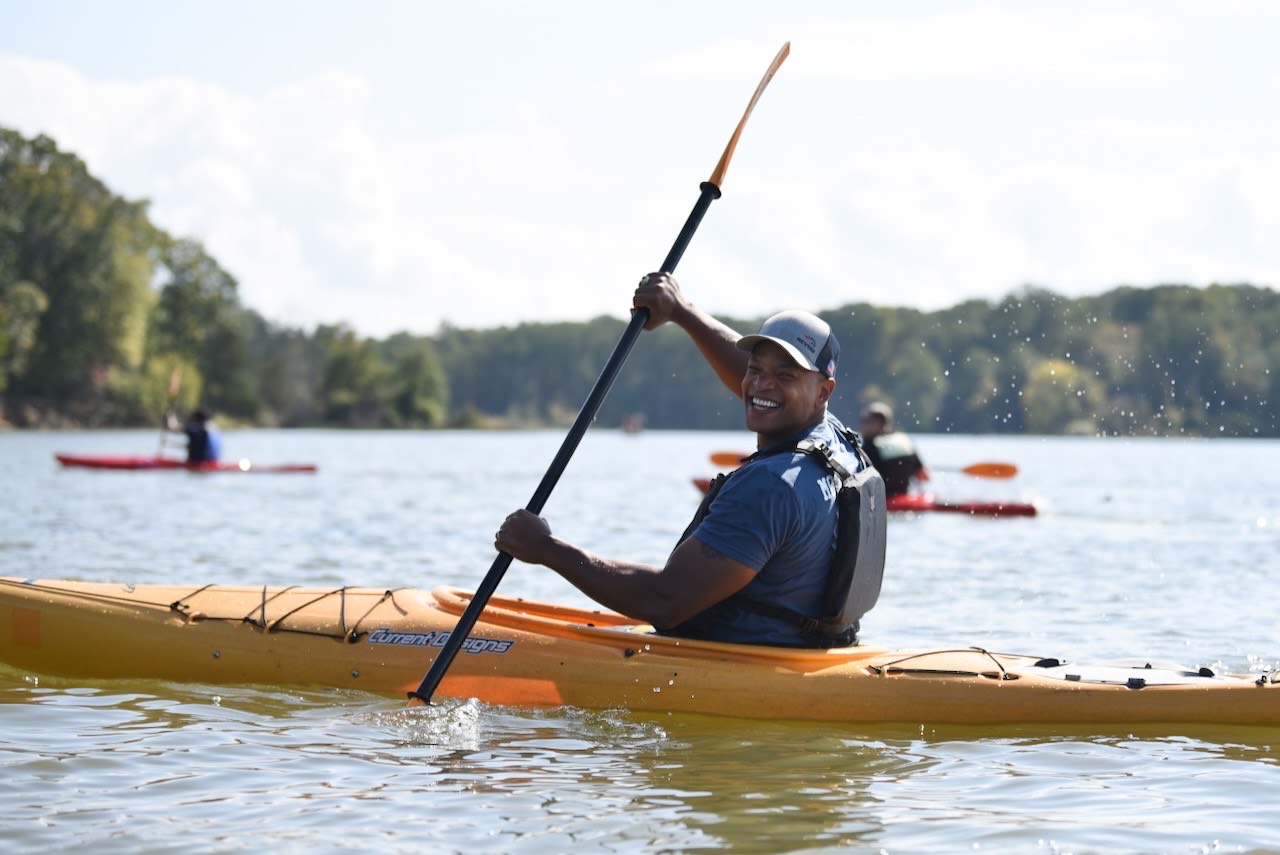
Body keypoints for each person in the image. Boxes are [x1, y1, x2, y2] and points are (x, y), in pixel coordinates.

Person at [495, 272, 885, 648]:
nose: (761, 385)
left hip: (738, 664)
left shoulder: (770, 485)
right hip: (811, 648)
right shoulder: (837, 441)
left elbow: (666, 602)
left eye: (785, 374)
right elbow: (756, 380)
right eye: (756, 369)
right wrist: (682, 311)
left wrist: (547, 549)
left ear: (822, 392)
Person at [857, 402, 927, 497]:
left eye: (865, 421)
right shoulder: (903, 441)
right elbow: (924, 476)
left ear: (877, 423)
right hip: (904, 499)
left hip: (880, 501)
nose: (861, 425)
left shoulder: (868, 447)